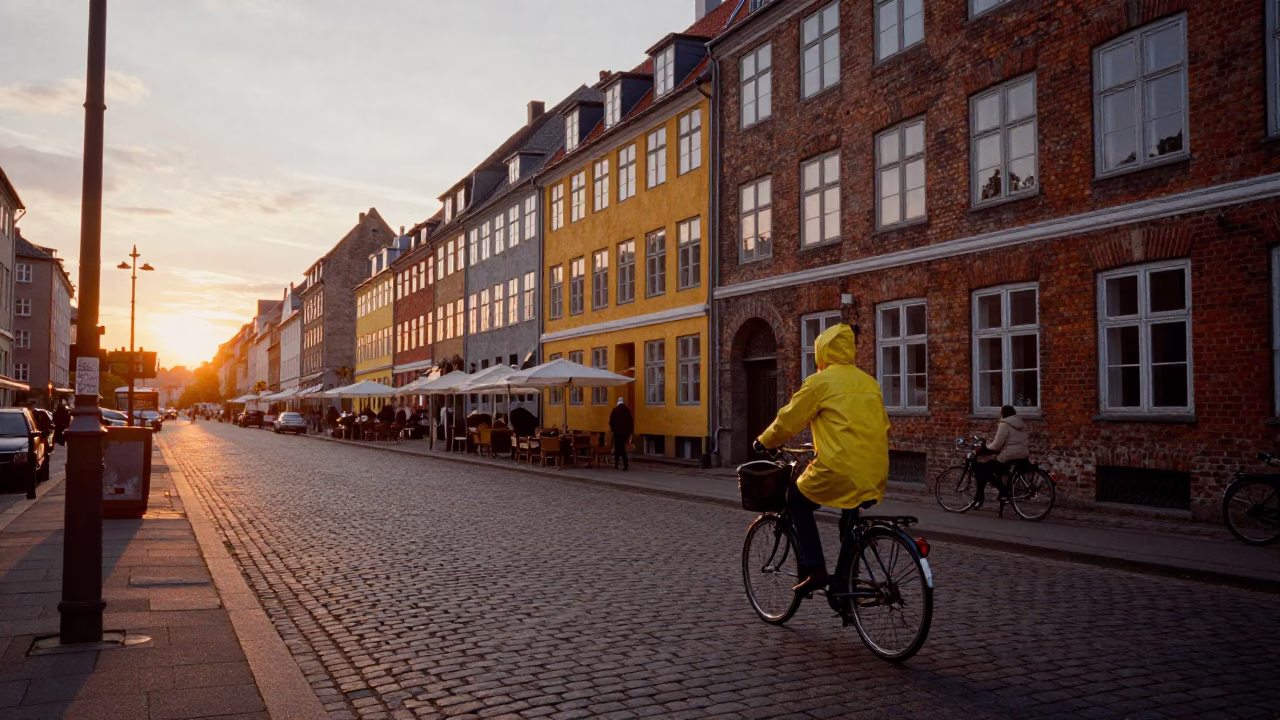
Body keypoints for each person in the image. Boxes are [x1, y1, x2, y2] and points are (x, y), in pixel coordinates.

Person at [754, 323, 890, 596]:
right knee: (849, 517)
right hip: (876, 468)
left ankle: (816, 570)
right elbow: (883, 425)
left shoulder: (820, 382)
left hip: (838, 467)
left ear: (822, 351)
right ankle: (846, 584)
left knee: (796, 501)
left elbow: (788, 420)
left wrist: (764, 441)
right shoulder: (869, 382)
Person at [973, 405, 1030, 509]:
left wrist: (985, 448)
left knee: (984, 468)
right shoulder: (1022, 424)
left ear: (1003, 414)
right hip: (1023, 454)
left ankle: (1002, 491)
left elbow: (997, 445)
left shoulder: (1004, 424)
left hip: (1010, 456)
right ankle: (1002, 491)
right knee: (994, 464)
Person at [608, 398, 633, 470]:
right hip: (625, 433)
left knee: (618, 448)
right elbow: (631, 421)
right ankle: (625, 464)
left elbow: (611, 422)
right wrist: (630, 432)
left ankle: (617, 464)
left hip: (617, 433)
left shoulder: (615, 410)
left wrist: (613, 429)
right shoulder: (627, 410)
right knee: (622, 448)